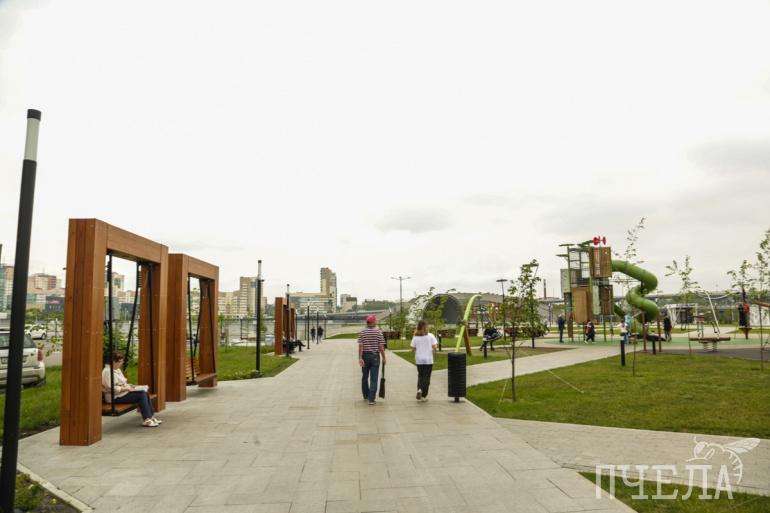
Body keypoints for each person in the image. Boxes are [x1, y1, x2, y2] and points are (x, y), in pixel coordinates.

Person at [102, 351, 161, 427]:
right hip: (114, 397)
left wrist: (131, 386)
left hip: (121, 394)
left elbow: (122, 382)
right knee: (141, 395)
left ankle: (150, 417)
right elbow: (112, 388)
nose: (122, 363)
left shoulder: (116, 369)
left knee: (144, 392)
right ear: (113, 361)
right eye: (120, 361)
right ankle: (147, 419)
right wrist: (127, 388)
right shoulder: (107, 372)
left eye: (122, 361)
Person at [358, 315, 386, 405]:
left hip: (365, 356)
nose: (376, 322)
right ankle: (371, 399)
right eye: (375, 321)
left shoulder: (362, 332)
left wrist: (360, 358)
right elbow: (381, 347)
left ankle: (366, 395)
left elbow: (360, 346)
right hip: (375, 357)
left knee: (365, 377)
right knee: (374, 378)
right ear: (373, 322)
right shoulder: (378, 332)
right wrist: (384, 358)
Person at [410, 320, 437, 402]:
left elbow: (413, 348)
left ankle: (419, 389)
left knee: (420, 376)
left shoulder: (415, 336)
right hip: (428, 359)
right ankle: (424, 396)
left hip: (419, 359)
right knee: (427, 377)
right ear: (426, 326)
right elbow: (434, 347)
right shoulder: (431, 336)